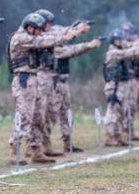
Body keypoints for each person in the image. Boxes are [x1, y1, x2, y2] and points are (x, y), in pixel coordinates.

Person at [7, 13, 86, 165]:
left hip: (34, 79)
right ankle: (14, 151)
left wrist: (73, 32)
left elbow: (46, 39)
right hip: (24, 80)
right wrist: (67, 37)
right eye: (39, 30)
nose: (41, 33)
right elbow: (44, 41)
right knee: (24, 116)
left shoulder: (32, 37)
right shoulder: (21, 38)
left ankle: (37, 151)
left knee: (38, 117)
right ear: (30, 28)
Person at [34, 9, 91, 157]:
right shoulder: (41, 38)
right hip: (46, 79)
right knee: (44, 113)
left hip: (57, 79)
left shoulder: (53, 34)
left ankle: (63, 142)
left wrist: (77, 30)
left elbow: (62, 32)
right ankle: (38, 144)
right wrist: (83, 40)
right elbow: (64, 45)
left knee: (58, 112)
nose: (51, 27)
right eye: (49, 24)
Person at [48, 39, 102, 153]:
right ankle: (43, 144)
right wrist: (88, 45)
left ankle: (67, 143)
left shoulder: (60, 48)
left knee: (66, 114)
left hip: (63, 83)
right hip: (54, 84)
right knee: (51, 114)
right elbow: (73, 50)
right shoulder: (56, 49)